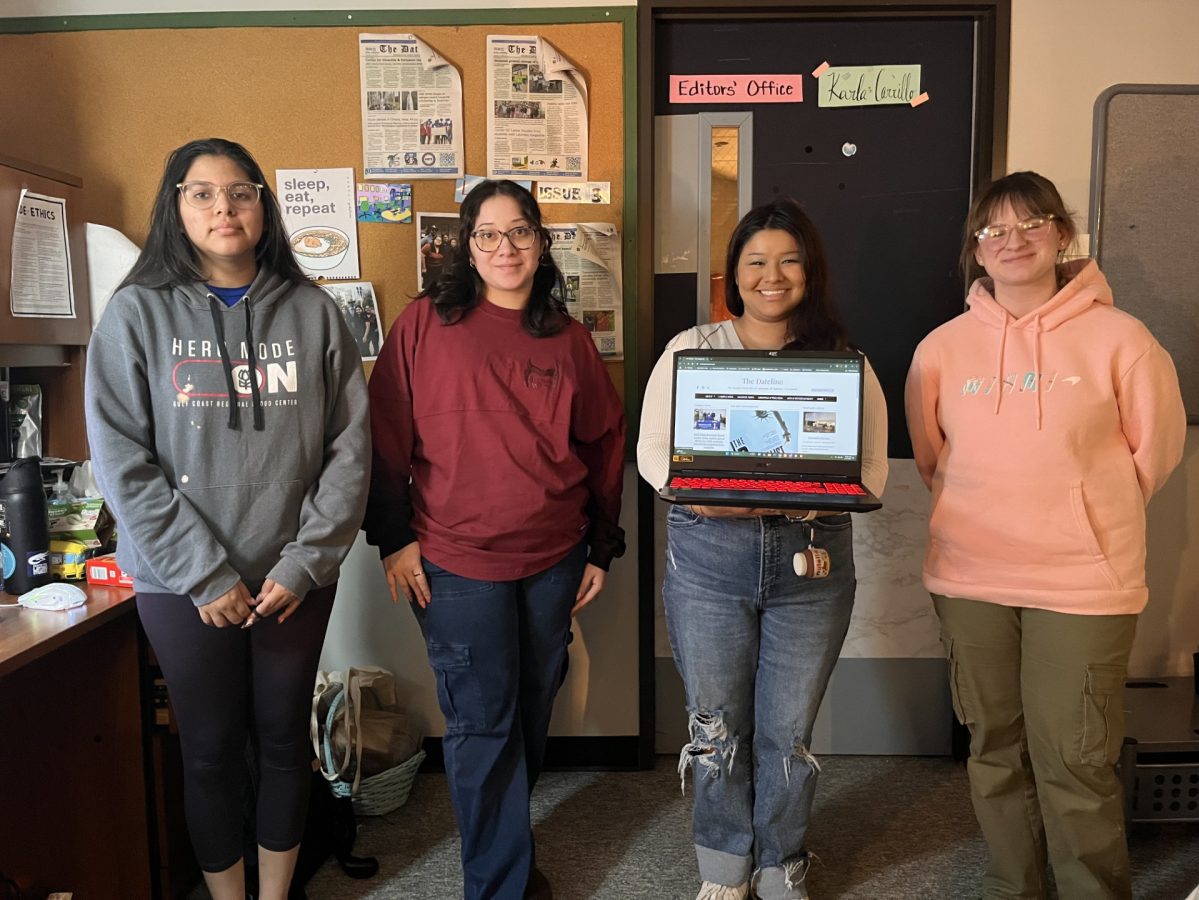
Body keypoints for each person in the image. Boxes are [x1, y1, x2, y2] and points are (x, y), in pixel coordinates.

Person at [84, 137, 370, 900]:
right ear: (174, 207)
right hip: (182, 584)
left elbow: (351, 450)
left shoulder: (313, 312)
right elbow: (121, 459)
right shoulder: (135, 314)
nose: (224, 207)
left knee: (283, 741)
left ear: (262, 206)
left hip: (291, 579)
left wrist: (304, 562)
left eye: (240, 191)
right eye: (202, 192)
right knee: (208, 749)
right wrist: (203, 574)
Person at [904, 171, 1185, 899]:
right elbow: (935, 461)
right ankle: (1014, 886)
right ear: (976, 249)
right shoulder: (941, 349)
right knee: (995, 748)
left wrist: (1084, 510)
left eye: (1032, 223)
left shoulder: (1124, 340)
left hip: (1084, 583)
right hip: (971, 578)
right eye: (995, 230)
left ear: (1062, 234)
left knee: (1076, 756)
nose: (1014, 241)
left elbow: (1152, 455)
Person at [364, 179, 626, 900]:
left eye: (519, 232)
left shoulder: (568, 339)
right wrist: (392, 537)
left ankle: (502, 848)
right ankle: (499, 885)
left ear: (541, 243)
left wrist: (602, 545)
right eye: (488, 233)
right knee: (483, 722)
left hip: (553, 557)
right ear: (466, 244)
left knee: (531, 706)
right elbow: (383, 434)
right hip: (453, 560)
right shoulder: (423, 325)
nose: (504, 247)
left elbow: (604, 442)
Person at [638, 199, 888, 900]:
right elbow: (656, 455)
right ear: (733, 275)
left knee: (789, 732)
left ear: (810, 273)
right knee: (717, 727)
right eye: (755, 262)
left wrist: (795, 492)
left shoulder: (845, 365)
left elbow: (871, 473)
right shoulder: (691, 350)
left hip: (813, 563)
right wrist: (704, 491)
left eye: (788, 260)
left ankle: (781, 860)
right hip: (709, 560)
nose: (771, 276)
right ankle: (724, 864)